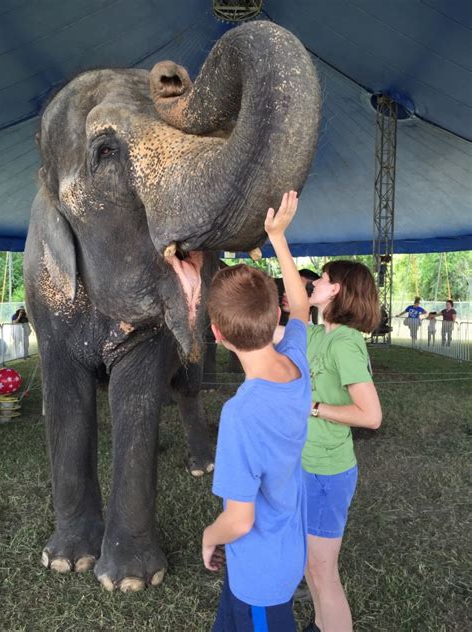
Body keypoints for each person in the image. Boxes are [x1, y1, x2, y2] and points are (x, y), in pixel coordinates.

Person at [202, 191, 311, 631]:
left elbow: (239, 519)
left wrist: (208, 537)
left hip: (263, 580)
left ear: (217, 333)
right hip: (273, 556)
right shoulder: (296, 364)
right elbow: (302, 305)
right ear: (274, 314)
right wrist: (278, 238)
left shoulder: (241, 414)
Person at [283, 260, 383, 632]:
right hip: (307, 466)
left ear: (336, 289)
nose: (313, 284)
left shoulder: (345, 342)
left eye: (321, 279)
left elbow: (371, 415)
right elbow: (290, 310)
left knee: (324, 575)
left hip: (328, 473)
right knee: (311, 565)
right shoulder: (316, 334)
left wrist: (312, 407)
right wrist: (277, 239)